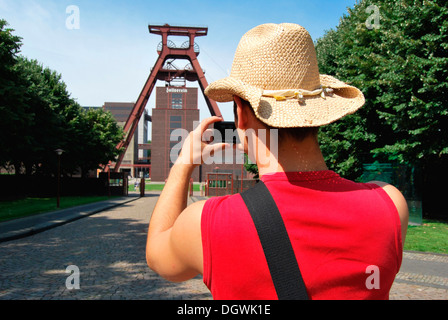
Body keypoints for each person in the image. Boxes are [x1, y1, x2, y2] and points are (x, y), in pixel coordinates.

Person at [146, 23, 409, 300]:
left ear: (240, 113)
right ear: (320, 110)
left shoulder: (208, 223)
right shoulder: (390, 203)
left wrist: (183, 164)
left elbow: (157, 255)